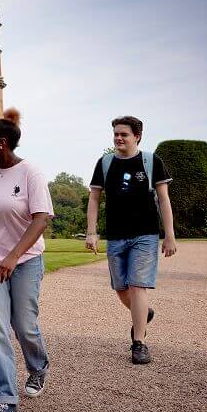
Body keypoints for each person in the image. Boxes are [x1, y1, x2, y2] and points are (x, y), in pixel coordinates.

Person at [0, 108, 53, 412]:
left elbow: (42, 218)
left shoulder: (30, 172)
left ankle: (38, 367)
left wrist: (13, 257)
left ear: (2, 143)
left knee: (24, 325)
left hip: (26, 260)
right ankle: (5, 399)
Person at [86, 116, 177, 365]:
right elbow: (94, 199)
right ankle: (143, 313)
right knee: (121, 289)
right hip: (115, 236)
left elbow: (164, 199)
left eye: (124, 134)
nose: (118, 138)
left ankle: (139, 343)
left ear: (137, 136)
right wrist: (91, 232)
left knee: (138, 286)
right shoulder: (104, 163)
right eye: (116, 133)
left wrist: (169, 234)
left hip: (145, 234)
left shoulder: (150, 161)